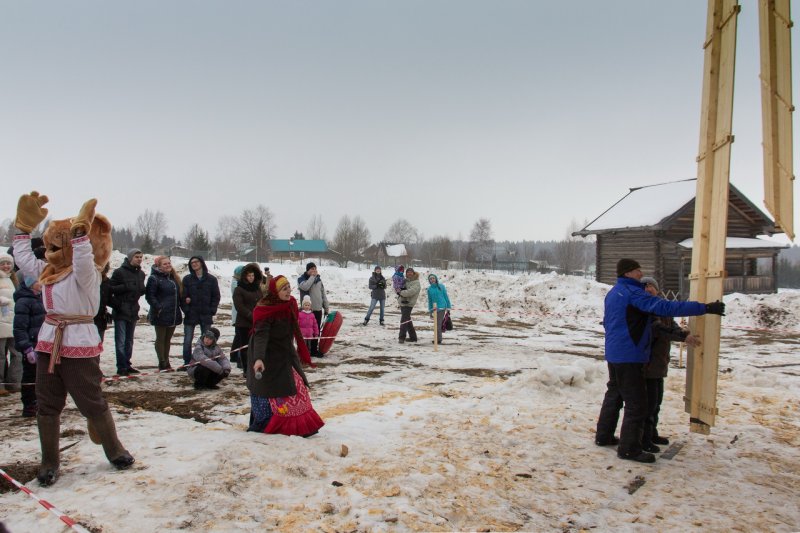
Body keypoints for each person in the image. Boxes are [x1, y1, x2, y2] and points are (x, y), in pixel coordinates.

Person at [13, 192, 134, 486]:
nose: (50, 250)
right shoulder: (48, 272)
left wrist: (80, 236)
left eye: (58, 244)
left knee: (91, 401)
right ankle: (49, 462)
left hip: (78, 343)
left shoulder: (87, 274)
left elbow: (82, 260)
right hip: (49, 340)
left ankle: (115, 450)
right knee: (47, 404)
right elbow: (24, 259)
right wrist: (22, 230)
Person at [595, 258, 725, 463]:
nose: (640, 274)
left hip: (616, 353)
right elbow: (665, 307)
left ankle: (604, 435)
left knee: (615, 394)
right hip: (630, 355)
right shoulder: (633, 293)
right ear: (627, 273)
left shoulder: (614, 292)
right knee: (637, 404)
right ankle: (629, 449)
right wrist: (705, 308)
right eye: (637, 270)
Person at [246, 275, 324, 437]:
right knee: (266, 390)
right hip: (266, 356)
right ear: (275, 292)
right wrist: (259, 358)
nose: (288, 291)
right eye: (284, 289)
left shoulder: (290, 304)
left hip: (284, 352)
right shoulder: (265, 309)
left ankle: (299, 426)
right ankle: (265, 424)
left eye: (289, 287)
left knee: (296, 387)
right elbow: (260, 336)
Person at [640, 277, 701, 450]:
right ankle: (644, 438)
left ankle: (651, 433)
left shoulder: (662, 307)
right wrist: (682, 337)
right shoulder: (645, 308)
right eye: (644, 286)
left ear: (657, 289)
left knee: (656, 402)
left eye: (651, 286)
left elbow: (671, 326)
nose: (648, 288)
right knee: (648, 404)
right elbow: (659, 329)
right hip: (647, 363)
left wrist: (682, 332)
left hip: (659, 362)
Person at [109, 248, 146, 376]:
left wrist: (142, 290)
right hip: (121, 310)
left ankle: (127, 364)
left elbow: (140, 290)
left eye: (141, 257)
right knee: (121, 340)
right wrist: (124, 288)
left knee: (129, 340)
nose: (139, 259)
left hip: (133, 310)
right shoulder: (119, 272)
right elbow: (110, 289)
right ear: (130, 258)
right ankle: (121, 367)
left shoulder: (141, 274)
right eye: (137, 257)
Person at [13, 276, 44, 417]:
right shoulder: (24, 301)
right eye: (38, 281)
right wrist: (26, 347)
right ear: (30, 284)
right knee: (30, 375)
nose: (41, 283)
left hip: (42, 343)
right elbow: (19, 327)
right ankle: (29, 404)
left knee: (42, 375)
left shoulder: (41, 298)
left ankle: (40, 401)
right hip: (31, 345)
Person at [145, 256, 183, 371]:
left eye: (169, 263)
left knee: (168, 339)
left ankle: (166, 361)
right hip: (160, 313)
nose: (168, 265)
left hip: (173, 313)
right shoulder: (154, 278)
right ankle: (162, 362)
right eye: (164, 264)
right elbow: (150, 296)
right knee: (161, 339)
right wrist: (158, 307)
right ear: (158, 266)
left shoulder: (173, 278)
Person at [181, 256, 220, 365]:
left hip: (206, 313)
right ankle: (187, 362)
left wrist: (212, 310)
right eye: (192, 262)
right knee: (187, 340)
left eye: (196, 262)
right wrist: (186, 309)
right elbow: (183, 297)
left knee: (207, 340)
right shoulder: (187, 279)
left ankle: (205, 361)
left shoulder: (211, 279)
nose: (194, 264)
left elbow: (216, 296)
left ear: (201, 263)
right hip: (191, 313)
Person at [232, 263, 263, 372]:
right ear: (245, 276)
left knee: (256, 346)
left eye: (253, 275)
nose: (251, 278)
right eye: (249, 275)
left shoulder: (257, 288)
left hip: (257, 322)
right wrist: (251, 315)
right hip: (244, 323)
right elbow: (239, 306)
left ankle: (255, 367)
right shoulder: (239, 289)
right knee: (245, 347)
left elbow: (261, 301)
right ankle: (246, 369)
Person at [297, 262, 329, 357]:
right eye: (312, 269)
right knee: (306, 331)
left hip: (318, 309)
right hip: (307, 311)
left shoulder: (318, 280)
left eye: (315, 268)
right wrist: (312, 277)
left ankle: (314, 350)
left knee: (316, 330)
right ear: (307, 270)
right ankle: (305, 350)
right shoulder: (301, 279)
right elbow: (305, 287)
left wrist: (326, 307)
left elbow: (323, 294)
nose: (314, 270)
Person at [0, 253, 20, 396]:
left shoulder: (14, 279)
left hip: (14, 322)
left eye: (8, 263)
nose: (6, 266)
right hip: (1, 323)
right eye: (3, 264)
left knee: (17, 354)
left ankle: (14, 382)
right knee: (1, 355)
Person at [427, 273, 452, 344]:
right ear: (429, 281)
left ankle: (438, 339)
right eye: (430, 279)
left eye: (433, 278)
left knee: (438, 324)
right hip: (434, 309)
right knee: (436, 324)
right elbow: (430, 300)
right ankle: (437, 338)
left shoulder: (441, 287)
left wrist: (448, 307)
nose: (432, 280)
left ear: (436, 279)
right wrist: (430, 310)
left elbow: (446, 296)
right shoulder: (429, 289)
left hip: (441, 307)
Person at [397, 267, 420, 344]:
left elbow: (411, 292)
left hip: (409, 304)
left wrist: (400, 292)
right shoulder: (405, 281)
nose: (409, 273)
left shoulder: (416, 282)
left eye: (411, 272)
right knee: (407, 320)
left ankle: (401, 337)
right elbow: (399, 287)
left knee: (404, 320)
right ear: (406, 274)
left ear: (413, 273)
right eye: (408, 272)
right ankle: (413, 337)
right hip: (403, 303)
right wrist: (397, 289)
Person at [93, 264, 112, 342]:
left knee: (99, 342)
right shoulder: (89, 281)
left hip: (101, 317)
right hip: (88, 318)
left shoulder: (107, 282)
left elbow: (109, 299)